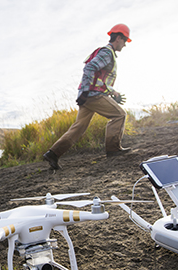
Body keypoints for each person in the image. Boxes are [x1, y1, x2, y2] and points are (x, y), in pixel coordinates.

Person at [43, 24, 132, 170]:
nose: (125, 45)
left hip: (88, 95)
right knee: (119, 115)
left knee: (78, 127)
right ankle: (113, 149)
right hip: (92, 95)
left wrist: (112, 92)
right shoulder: (107, 52)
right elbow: (90, 68)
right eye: (125, 40)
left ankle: (53, 153)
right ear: (118, 38)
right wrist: (85, 91)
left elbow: (101, 79)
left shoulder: (106, 53)